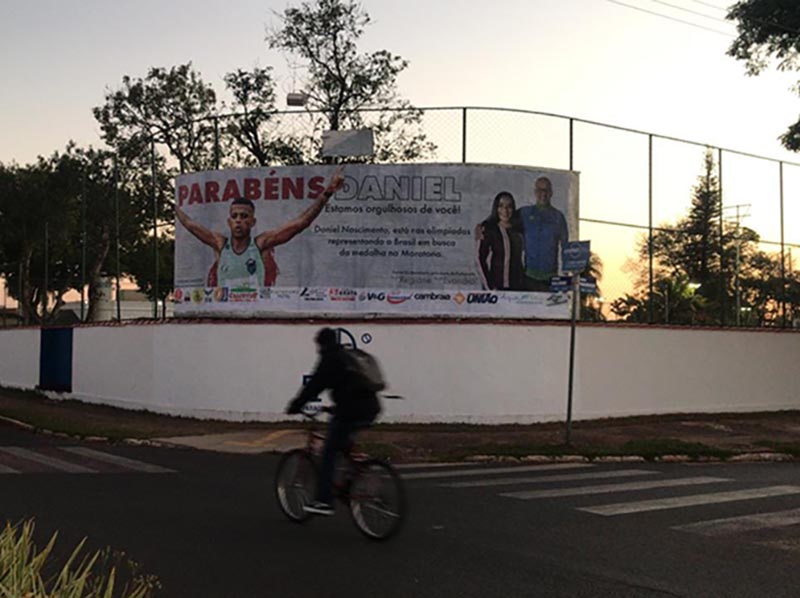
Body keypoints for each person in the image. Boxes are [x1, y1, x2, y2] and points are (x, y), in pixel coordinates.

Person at [174, 168, 345, 288]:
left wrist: (327, 192)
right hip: (224, 314)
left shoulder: (261, 243)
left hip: (253, 314)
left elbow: (301, 223)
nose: (239, 221)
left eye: (244, 216)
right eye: (234, 217)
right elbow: (190, 224)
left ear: (253, 221)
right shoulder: (220, 244)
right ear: (229, 222)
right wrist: (173, 206)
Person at [285, 328, 382, 516]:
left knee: (328, 451)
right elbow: (349, 386)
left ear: (322, 344)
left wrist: (295, 405)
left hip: (351, 409)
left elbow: (314, 386)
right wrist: (334, 407)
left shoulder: (329, 359)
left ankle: (324, 501)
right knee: (343, 443)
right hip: (371, 407)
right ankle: (354, 476)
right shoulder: (347, 356)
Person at [518, 176, 568, 291]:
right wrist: (482, 227)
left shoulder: (558, 217)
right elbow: (502, 218)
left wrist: (567, 275)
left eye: (546, 190)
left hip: (550, 279)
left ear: (551, 193)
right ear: (535, 192)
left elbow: (565, 247)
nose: (543, 194)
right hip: (528, 277)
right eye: (540, 190)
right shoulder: (524, 213)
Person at [475, 191, 524, 290]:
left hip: (517, 289)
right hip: (496, 289)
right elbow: (479, 259)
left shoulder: (518, 230)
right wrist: (490, 288)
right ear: (496, 208)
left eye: (509, 206)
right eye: (501, 206)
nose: (505, 210)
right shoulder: (488, 230)